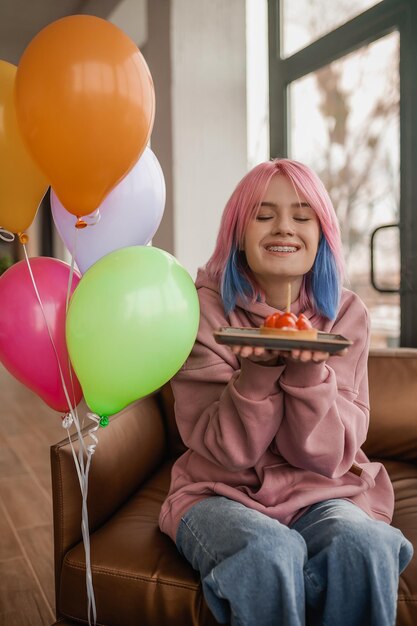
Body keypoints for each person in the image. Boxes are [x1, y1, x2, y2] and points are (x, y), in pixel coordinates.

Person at [159, 158, 413, 626]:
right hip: (219, 493)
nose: (284, 229)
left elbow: (331, 456)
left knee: (365, 545)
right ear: (238, 231)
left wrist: (304, 375)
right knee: (268, 551)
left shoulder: (346, 316)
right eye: (263, 214)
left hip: (323, 493)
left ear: (322, 234)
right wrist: (255, 375)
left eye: (301, 216)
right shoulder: (203, 311)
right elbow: (226, 452)